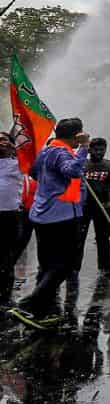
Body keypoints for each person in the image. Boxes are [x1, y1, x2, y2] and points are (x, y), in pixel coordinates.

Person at [8, 118, 88, 330]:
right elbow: (73, 171)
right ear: (76, 135)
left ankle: (44, 311)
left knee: (48, 263)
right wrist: (84, 148)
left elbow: (34, 172)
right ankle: (29, 304)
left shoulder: (46, 151)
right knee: (65, 264)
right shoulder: (60, 152)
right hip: (61, 216)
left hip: (43, 214)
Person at [78, 137, 110, 279]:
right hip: (83, 207)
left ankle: (105, 267)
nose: (99, 152)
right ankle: (74, 267)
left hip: (103, 206)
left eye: (102, 149)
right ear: (90, 149)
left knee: (103, 238)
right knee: (79, 238)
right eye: (96, 149)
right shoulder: (82, 165)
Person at [0, 132, 27, 307]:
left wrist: (15, 152)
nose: (1, 142)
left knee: (6, 256)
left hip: (9, 216)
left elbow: (34, 164)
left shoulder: (19, 164)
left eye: (4, 139)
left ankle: (4, 295)